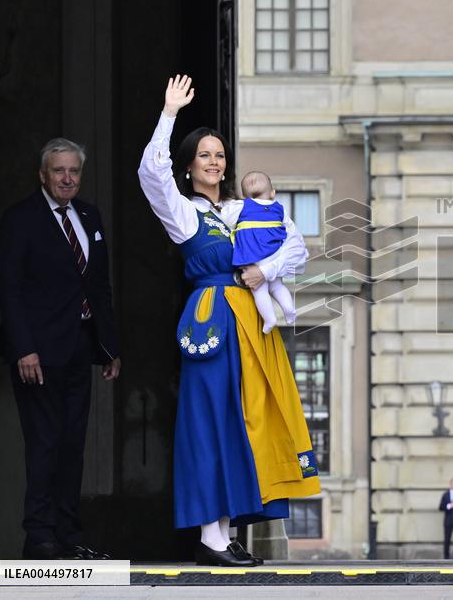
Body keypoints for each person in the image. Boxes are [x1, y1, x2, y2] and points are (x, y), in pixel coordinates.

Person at [138, 75, 321, 567]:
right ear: (190, 165)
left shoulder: (246, 207)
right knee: (209, 424)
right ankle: (210, 536)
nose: (214, 162)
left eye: (219, 155)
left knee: (248, 424)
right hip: (212, 323)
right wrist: (169, 113)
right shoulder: (183, 213)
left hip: (253, 325)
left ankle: (228, 530)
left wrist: (266, 269)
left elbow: (297, 246)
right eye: (204, 155)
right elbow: (152, 174)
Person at [0, 138, 121, 560]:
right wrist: (23, 348)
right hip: (38, 353)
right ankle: (40, 536)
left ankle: (68, 535)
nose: (68, 178)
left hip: (80, 348)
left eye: (74, 171)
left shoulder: (89, 215)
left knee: (72, 444)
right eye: (59, 171)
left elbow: (99, 286)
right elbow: (9, 289)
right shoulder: (21, 219)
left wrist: (109, 346)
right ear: (43, 175)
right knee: (44, 442)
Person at [233, 171, 297, 335]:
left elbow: (225, 216)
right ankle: (289, 310)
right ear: (272, 193)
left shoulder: (242, 206)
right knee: (278, 286)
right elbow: (290, 232)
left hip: (254, 256)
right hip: (274, 254)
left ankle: (270, 319)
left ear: (244, 196)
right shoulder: (280, 208)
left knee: (259, 291)